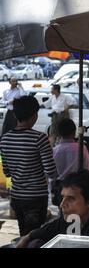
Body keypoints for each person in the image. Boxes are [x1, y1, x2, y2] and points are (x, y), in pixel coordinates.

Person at [15, 170, 89, 248]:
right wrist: (28, 237)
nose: (62, 204)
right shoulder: (73, 219)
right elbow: (50, 228)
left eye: (71, 199)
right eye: (63, 197)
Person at [0, 96, 57, 236]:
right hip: (36, 198)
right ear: (34, 115)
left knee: (23, 235)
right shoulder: (39, 138)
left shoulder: (5, 139)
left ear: (15, 115)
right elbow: (51, 171)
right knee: (33, 236)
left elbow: (7, 172)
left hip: (17, 197)